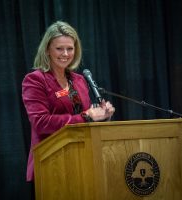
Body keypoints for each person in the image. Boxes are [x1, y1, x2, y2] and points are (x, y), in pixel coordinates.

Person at [22, 21, 115, 182]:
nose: (65, 53)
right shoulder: (35, 80)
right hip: (51, 164)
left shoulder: (79, 80)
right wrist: (87, 116)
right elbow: (41, 123)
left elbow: (85, 118)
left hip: (83, 160)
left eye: (70, 48)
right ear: (47, 50)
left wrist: (102, 115)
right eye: (59, 48)